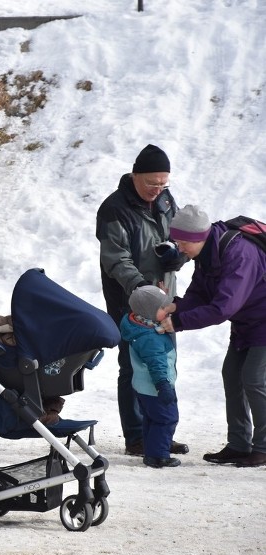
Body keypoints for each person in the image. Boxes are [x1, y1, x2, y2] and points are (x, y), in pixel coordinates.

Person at [96, 144, 189, 457]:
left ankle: (160, 433)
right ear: (135, 176)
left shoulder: (164, 200)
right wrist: (139, 288)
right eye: (152, 183)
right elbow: (115, 258)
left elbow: (176, 233)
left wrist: (178, 254)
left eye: (163, 183)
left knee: (165, 364)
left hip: (165, 300)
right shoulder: (114, 209)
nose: (157, 190)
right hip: (131, 303)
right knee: (134, 367)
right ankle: (136, 436)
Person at [159, 205, 266, 467]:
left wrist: (179, 322)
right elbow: (200, 293)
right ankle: (239, 445)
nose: (180, 248)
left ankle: (263, 447)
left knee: (254, 378)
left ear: (198, 237)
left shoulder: (240, 254)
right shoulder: (207, 254)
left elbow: (222, 308)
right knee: (232, 375)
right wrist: (177, 305)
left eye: (183, 242)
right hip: (246, 321)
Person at [119, 286, 181, 468]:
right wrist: (163, 384)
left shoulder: (139, 325)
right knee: (166, 418)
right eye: (164, 309)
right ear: (149, 312)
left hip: (143, 387)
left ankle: (150, 451)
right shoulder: (150, 337)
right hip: (155, 386)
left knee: (151, 418)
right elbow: (156, 363)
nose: (168, 311)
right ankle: (158, 456)